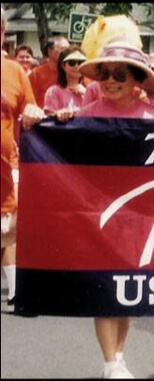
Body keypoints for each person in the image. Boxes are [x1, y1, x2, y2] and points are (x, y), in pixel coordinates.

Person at [60, 40, 154, 378]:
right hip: (100, 218)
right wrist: (54, 120)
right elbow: (51, 134)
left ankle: (119, 357)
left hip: (141, 219)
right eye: (105, 74)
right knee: (108, 290)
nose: (110, 81)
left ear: (137, 78)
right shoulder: (87, 114)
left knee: (130, 290)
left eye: (119, 74)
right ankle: (110, 363)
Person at [1, 6, 45, 310]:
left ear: (3, 30)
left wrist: (34, 113)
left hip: (7, 166)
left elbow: (29, 111)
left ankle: (16, 292)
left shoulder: (15, 71)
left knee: (9, 230)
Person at [43, 46, 87, 122]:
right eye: (72, 62)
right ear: (63, 66)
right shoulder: (53, 91)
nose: (76, 66)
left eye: (80, 62)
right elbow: (48, 120)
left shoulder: (90, 91)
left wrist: (86, 94)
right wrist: (58, 115)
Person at [28, 35, 70, 108]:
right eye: (63, 49)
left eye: (69, 49)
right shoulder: (37, 74)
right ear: (50, 51)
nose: (68, 52)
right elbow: (28, 99)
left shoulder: (74, 71)